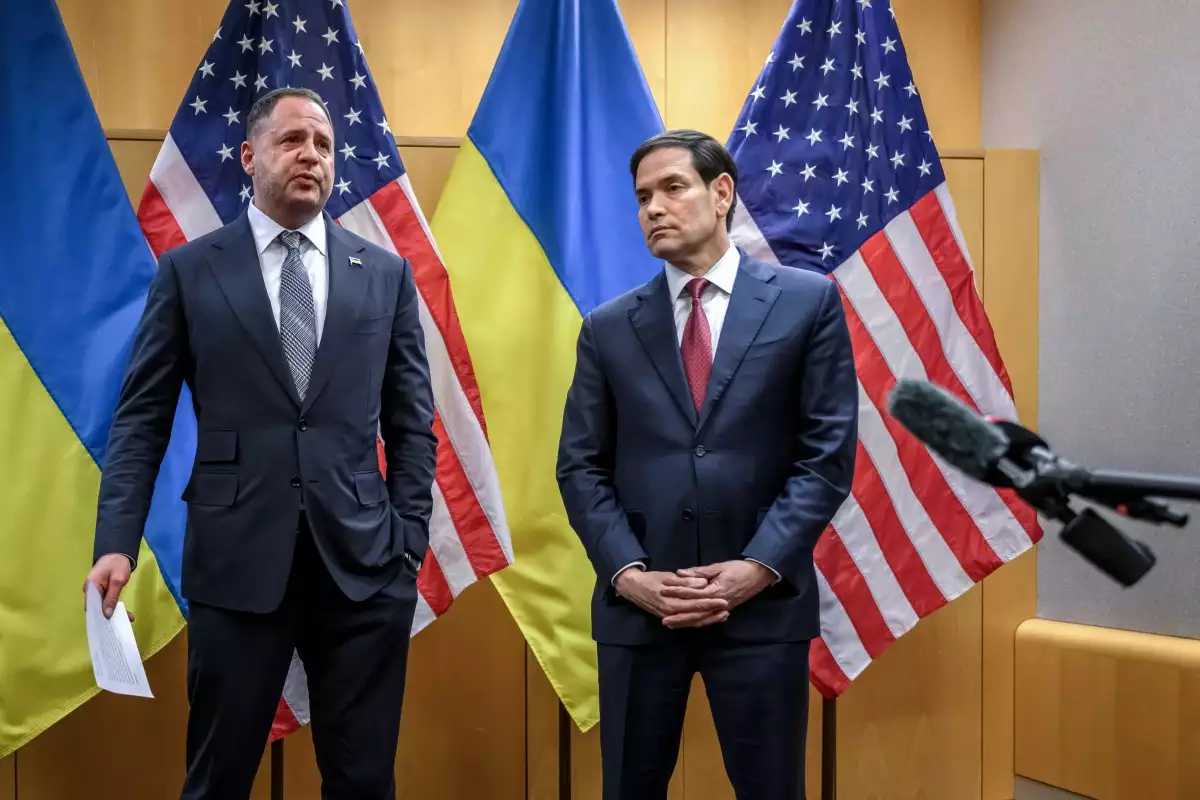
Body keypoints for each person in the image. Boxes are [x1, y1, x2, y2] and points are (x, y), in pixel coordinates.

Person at [84, 87, 437, 800]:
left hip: (364, 570)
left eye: (325, 145)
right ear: (249, 156)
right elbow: (142, 418)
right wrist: (116, 541)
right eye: (293, 141)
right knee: (218, 779)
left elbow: (411, 421)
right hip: (236, 564)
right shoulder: (190, 271)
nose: (312, 155)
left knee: (364, 780)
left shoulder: (386, 276)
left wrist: (408, 543)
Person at [556, 129, 858, 799]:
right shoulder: (607, 327)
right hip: (641, 610)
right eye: (642, 198)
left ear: (721, 193)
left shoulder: (806, 303)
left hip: (762, 607)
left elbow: (827, 456)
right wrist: (630, 575)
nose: (654, 209)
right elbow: (579, 467)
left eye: (672, 188)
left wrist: (756, 568)